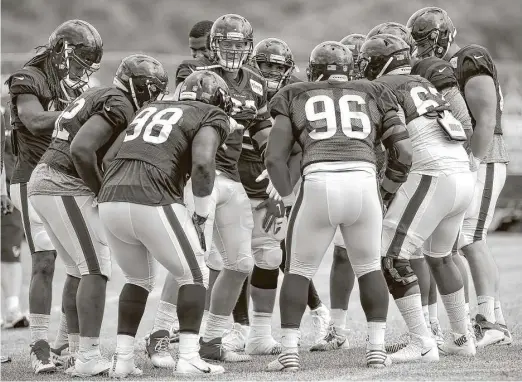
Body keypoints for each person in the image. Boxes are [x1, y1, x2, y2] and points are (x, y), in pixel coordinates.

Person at [265, 40, 412, 371]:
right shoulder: (372, 92)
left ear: (314, 71)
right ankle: (375, 349)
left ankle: (289, 353)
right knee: (369, 267)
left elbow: (273, 156)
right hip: (363, 182)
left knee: (298, 270)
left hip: (318, 182)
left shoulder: (296, 93)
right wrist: (386, 189)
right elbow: (404, 153)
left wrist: (287, 195)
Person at [28, 54, 162, 377]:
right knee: (96, 267)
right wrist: (100, 191)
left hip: (47, 179)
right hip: (64, 182)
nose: (153, 97)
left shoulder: (97, 95)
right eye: (151, 89)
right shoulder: (120, 103)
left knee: (77, 269)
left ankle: (77, 352)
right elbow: (81, 149)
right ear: (138, 86)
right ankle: (88, 355)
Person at [99, 70, 232, 377]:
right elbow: (202, 163)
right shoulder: (211, 114)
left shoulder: (148, 108)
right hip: (152, 196)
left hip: (110, 197)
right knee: (196, 274)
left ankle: (122, 361)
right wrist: (199, 214)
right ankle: (188, 357)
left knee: (138, 279)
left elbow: (108, 160)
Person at [359, 33, 475, 362]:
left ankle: (421, 342)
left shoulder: (383, 87)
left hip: (433, 174)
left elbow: (400, 150)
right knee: (441, 257)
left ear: (381, 63)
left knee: (390, 254)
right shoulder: (422, 84)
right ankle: (461, 338)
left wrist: (385, 190)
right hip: (460, 174)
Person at [407, 6, 512, 347]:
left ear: (442, 36)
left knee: (470, 238)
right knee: (460, 241)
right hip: (468, 157)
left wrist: (474, 159)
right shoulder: (444, 67)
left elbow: (485, 119)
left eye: (426, 41)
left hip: (485, 155)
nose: (422, 48)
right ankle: (489, 319)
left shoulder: (470, 57)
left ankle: (490, 323)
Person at [5, 19, 102, 374]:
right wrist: (81, 113)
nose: (81, 72)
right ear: (63, 52)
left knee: (80, 263)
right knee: (44, 261)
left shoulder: (75, 84)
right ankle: (40, 345)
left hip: (63, 179)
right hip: (30, 177)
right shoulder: (28, 78)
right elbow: (32, 120)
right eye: (79, 63)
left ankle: (69, 343)